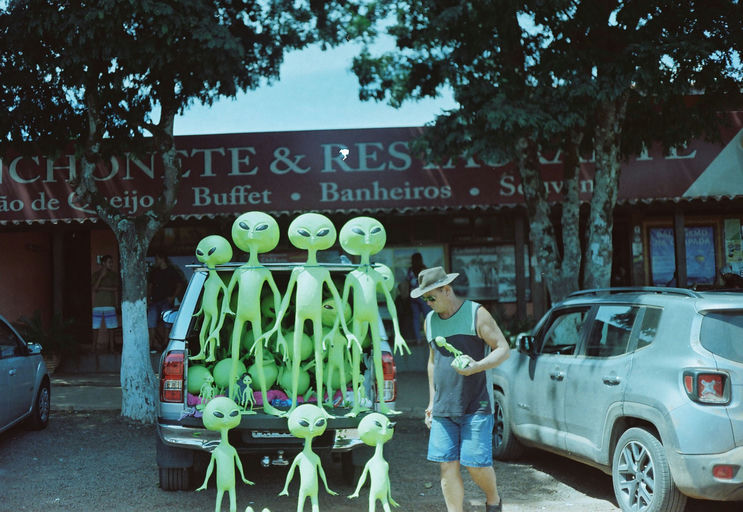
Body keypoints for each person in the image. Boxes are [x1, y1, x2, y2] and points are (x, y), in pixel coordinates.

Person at [413, 266, 511, 512]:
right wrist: (431, 402)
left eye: (431, 297)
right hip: (444, 407)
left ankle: (493, 500)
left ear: (447, 290)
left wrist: (477, 366)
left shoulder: (476, 313)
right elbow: (433, 361)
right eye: (425, 299)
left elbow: (502, 348)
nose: (428, 303)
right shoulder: (430, 321)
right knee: (447, 465)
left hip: (476, 404)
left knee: (475, 464)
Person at [147, 253, 185, 351]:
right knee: (151, 323)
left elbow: (179, 285)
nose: (156, 262)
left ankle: (165, 344)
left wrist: (172, 297)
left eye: (157, 259)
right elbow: (150, 286)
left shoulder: (172, 271)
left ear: (162, 259)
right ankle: (151, 344)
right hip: (154, 301)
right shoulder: (154, 272)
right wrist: (148, 299)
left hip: (166, 300)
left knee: (167, 322)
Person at [92, 254, 120, 352]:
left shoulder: (114, 275)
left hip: (110, 304)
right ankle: (94, 347)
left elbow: (116, 289)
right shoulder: (96, 274)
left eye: (112, 262)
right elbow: (94, 289)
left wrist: (102, 288)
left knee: (111, 327)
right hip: (97, 305)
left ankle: (112, 348)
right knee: (95, 327)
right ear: (103, 263)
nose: (111, 264)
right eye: (109, 262)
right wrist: (101, 277)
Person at [407, 252, 430, 344]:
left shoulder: (410, 270)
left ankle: (418, 339)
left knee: (415, 318)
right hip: (423, 295)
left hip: (413, 295)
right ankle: (429, 338)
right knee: (427, 317)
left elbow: (409, 281)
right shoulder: (424, 269)